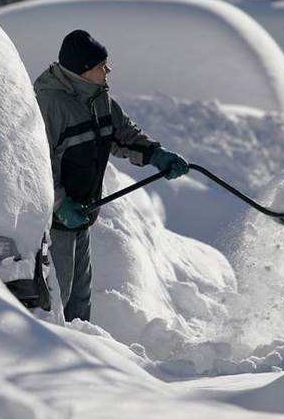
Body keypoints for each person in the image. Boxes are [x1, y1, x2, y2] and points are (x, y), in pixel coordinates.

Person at [33, 29, 189, 322]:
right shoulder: (49, 104)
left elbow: (123, 134)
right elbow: (37, 162)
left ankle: (81, 345)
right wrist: (59, 204)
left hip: (82, 213)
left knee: (79, 300)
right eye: (101, 66)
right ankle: (49, 344)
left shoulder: (98, 98)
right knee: (56, 300)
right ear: (82, 71)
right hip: (54, 223)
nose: (108, 71)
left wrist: (156, 155)